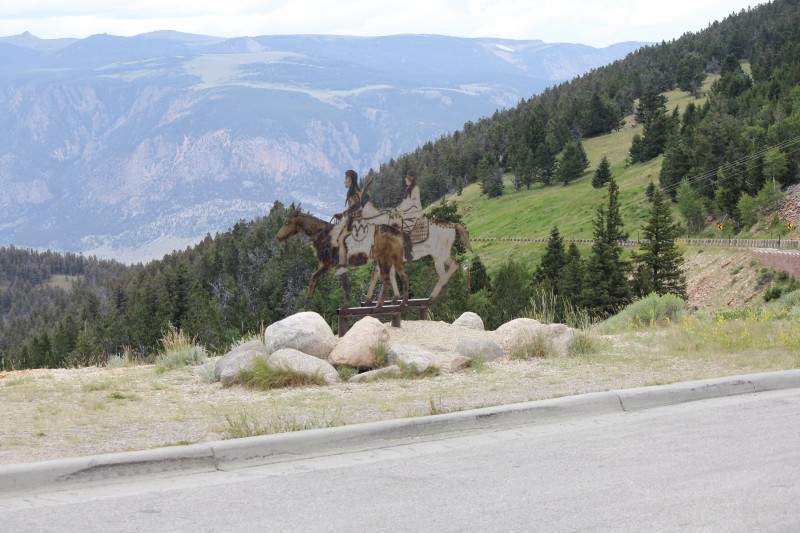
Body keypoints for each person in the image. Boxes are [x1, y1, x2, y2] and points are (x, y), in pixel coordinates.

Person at [332, 169, 362, 270]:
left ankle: (343, 263)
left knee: (341, 238)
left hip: (355, 220)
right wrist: (342, 214)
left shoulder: (355, 191)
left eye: (346, 179)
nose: (345, 181)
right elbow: (352, 207)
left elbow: (356, 206)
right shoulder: (353, 191)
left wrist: (342, 214)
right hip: (352, 218)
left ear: (351, 180)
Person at [395, 171, 421, 263]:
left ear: (412, 178)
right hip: (407, 214)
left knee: (405, 230)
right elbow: (404, 203)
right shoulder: (408, 189)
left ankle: (409, 253)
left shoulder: (415, 189)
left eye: (407, 177)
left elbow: (412, 203)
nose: (405, 178)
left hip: (413, 213)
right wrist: (397, 209)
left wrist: (400, 208)